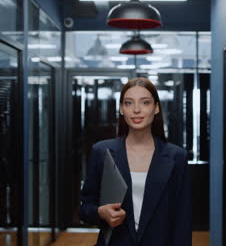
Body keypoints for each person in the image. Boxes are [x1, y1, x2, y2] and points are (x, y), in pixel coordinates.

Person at [80, 77, 192, 246]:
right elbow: (85, 209)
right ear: (121, 109)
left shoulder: (177, 157)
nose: (137, 110)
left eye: (145, 103)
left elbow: (182, 220)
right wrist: (100, 212)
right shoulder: (101, 152)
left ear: (156, 108)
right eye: (129, 103)